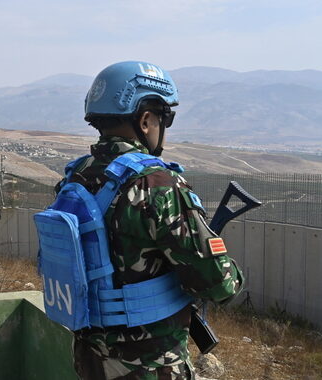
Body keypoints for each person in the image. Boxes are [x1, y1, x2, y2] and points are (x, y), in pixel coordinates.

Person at [54, 61, 244, 379]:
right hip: (149, 363)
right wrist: (231, 274)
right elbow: (218, 284)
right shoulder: (156, 183)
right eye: (163, 118)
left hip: (90, 356)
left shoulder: (75, 177)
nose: (163, 127)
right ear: (145, 120)